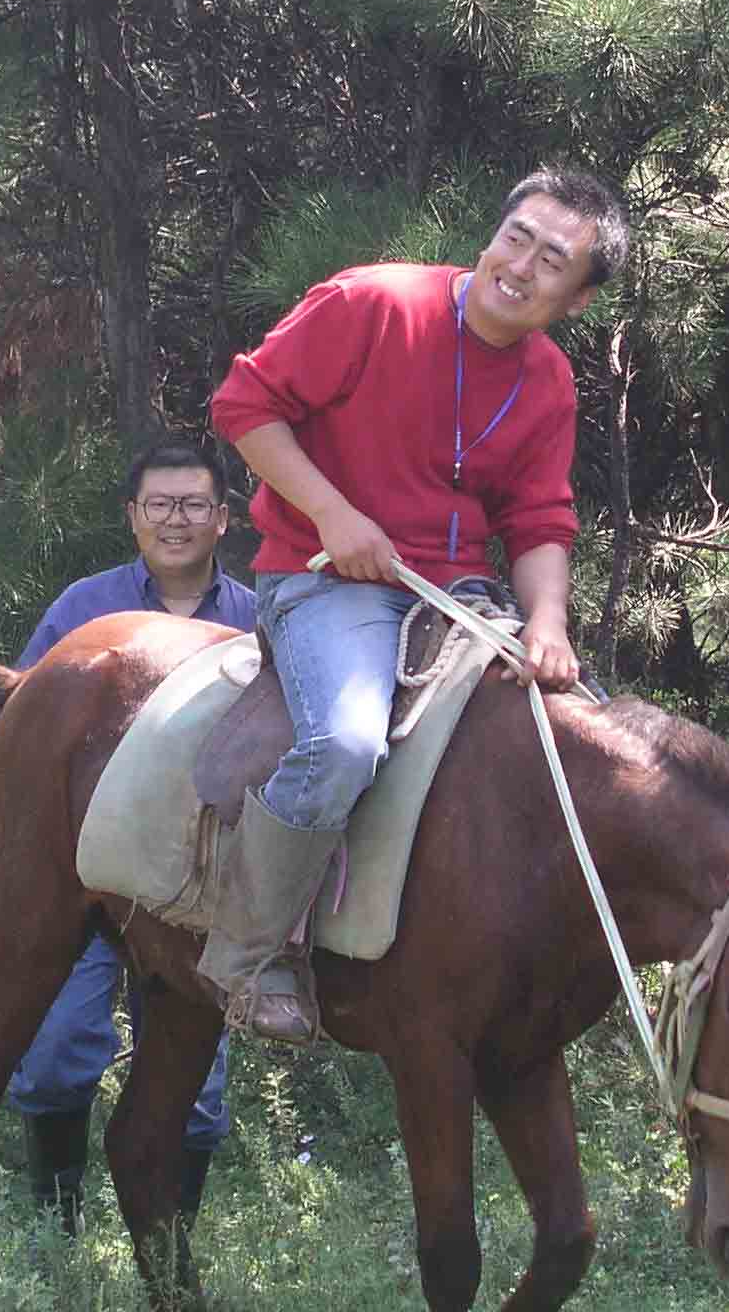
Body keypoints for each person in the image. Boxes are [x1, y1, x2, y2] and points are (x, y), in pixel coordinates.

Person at [202, 166, 630, 1042]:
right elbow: (244, 405)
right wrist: (333, 513)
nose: (523, 265)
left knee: (567, 738)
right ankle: (250, 953)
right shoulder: (372, 302)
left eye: (555, 260)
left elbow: (540, 515)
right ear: (493, 232)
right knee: (348, 741)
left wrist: (546, 623)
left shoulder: (547, 381)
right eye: (518, 237)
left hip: (458, 597)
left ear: (579, 299)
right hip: (322, 574)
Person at [5, 441, 255, 1235]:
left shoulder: (257, 618)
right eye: (159, 505)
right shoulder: (87, 611)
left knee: (194, 1088)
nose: (175, 521)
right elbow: (19, 727)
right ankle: (58, 1230)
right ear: (132, 517)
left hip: (198, 890)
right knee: (52, 1057)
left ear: (222, 519)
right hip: (83, 876)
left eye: (192, 506)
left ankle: (169, 1249)